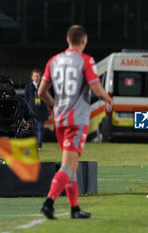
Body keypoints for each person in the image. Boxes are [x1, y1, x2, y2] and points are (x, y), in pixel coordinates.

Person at [38, 25, 112, 219]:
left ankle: (74, 208)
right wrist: (108, 99)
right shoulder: (86, 60)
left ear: (67, 40)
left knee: (72, 165)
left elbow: (41, 92)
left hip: (60, 120)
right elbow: (97, 90)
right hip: (76, 120)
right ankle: (49, 202)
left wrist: (54, 105)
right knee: (68, 165)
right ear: (84, 41)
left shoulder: (53, 61)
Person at [24, 70, 49, 150]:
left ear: (40, 77)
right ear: (32, 77)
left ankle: (39, 145)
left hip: (41, 110)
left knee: (40, 129)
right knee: (31, 129)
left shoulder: (43, 86)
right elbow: (26, 99)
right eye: (34, 76)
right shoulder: (28, 86)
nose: (36, 77)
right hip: (31, 111)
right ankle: (32, 144)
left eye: (37, 76)